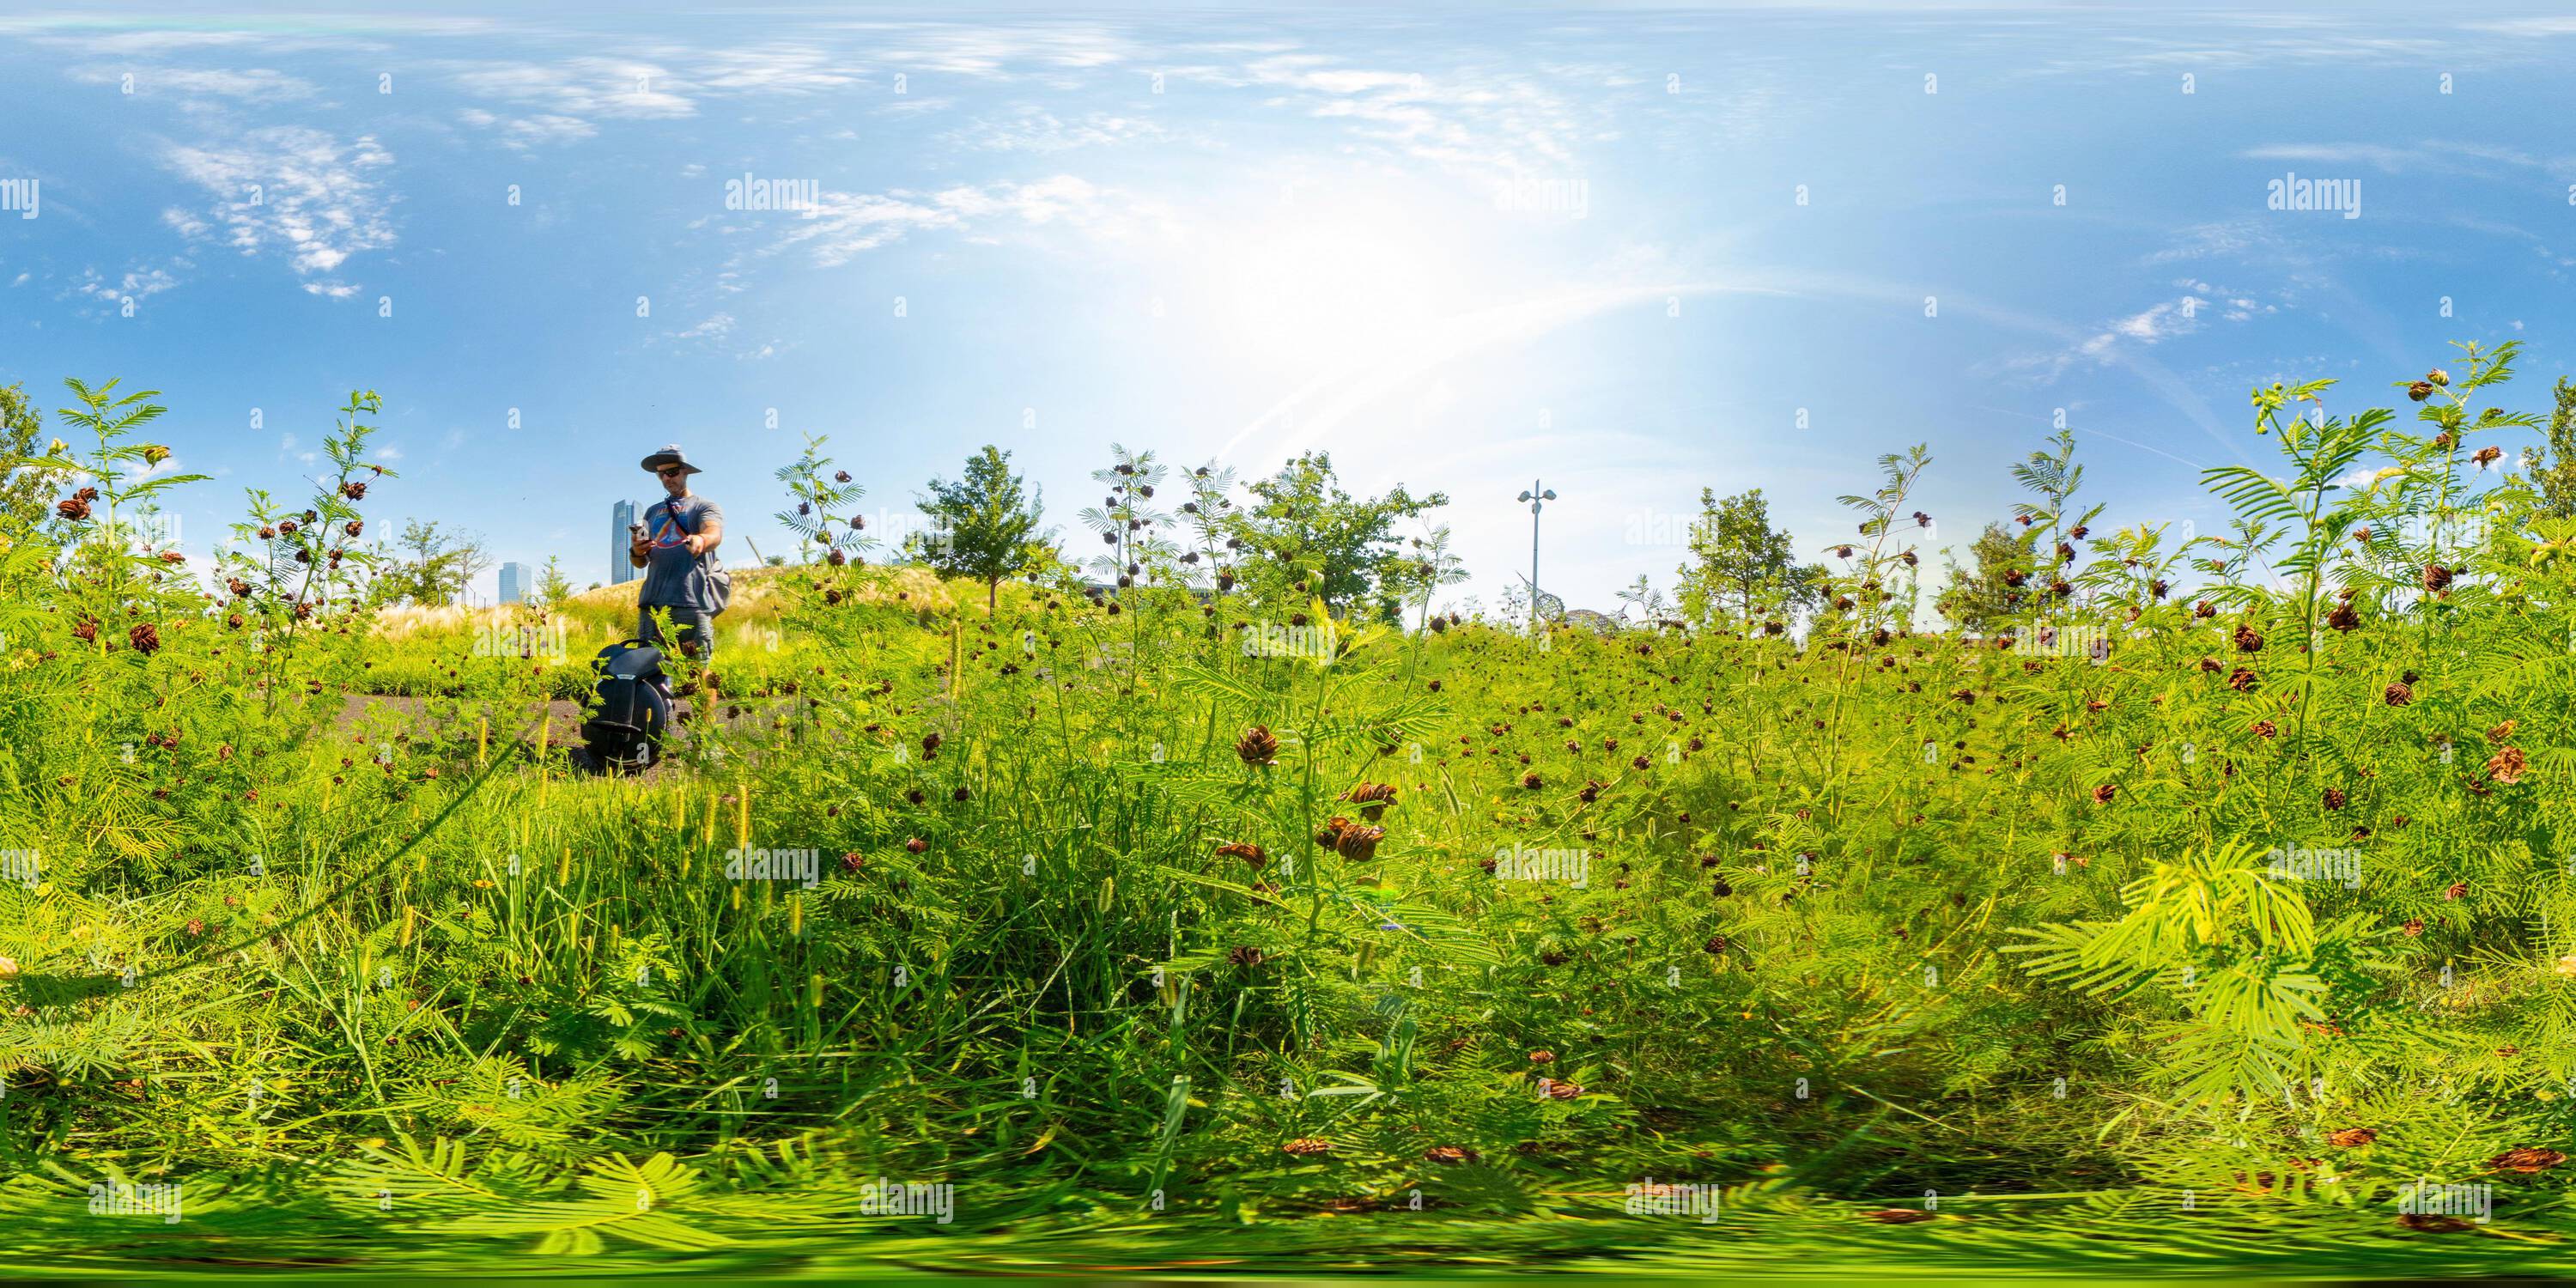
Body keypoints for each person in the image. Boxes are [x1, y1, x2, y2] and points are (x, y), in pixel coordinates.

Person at [629, 444, 724, 659]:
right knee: (649, 670)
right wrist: (636, 550)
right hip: (652, 604)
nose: (666, 479)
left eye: (671, 472)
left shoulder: (704, 506)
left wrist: (701, 539)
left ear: (685, 471)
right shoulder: (652, 512)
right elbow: (640, 562)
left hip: (690, 601)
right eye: (660, 474)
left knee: (699, 670)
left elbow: (714, 533)